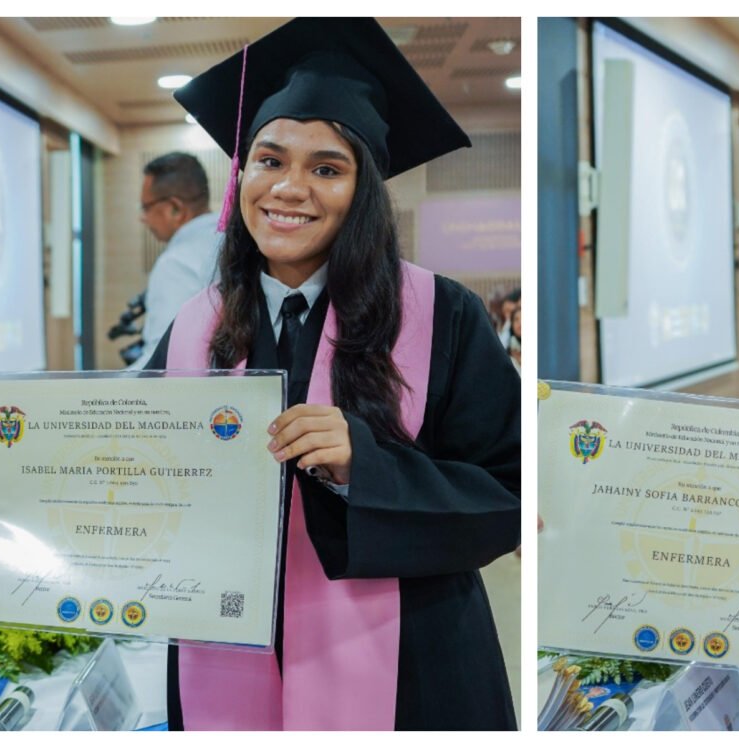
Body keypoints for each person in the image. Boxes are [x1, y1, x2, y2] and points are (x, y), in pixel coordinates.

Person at [143, 18, 520, 730]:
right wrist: (10, 480)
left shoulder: (442, 315)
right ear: (241, 175)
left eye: (326, 167)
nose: (288, 188)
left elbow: (510, 492)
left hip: (411, 665)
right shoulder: (197, 323)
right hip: (227, 640)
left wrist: (366, 467)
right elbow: (129, 465)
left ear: (365, 190)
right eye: (268, 160)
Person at [133, 152, 221, 369]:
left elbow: (163, 360)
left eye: (146, 207)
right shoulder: (235, 243)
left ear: (175, 209)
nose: (143, 218)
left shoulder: (176, 264)